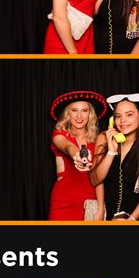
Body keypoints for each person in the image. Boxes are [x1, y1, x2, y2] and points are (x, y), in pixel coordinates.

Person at [89, 93, 139, 220]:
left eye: (129, 115)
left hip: (137, 218)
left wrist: (131, 220)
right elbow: (94, 180)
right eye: (118, 116)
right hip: (110, 218)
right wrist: (111, 152)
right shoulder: (104, 138)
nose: (123, 121)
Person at [47, 90, 106, 220]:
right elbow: (66, 146)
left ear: (90, 114)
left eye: (84, 110)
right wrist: (77, 154)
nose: (79, 116)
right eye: (74, 110)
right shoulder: (59, 134)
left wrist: (100, 208)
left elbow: (98, 178)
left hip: (89, 203)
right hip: (63, 202)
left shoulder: (97, 140)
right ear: (68, 113)